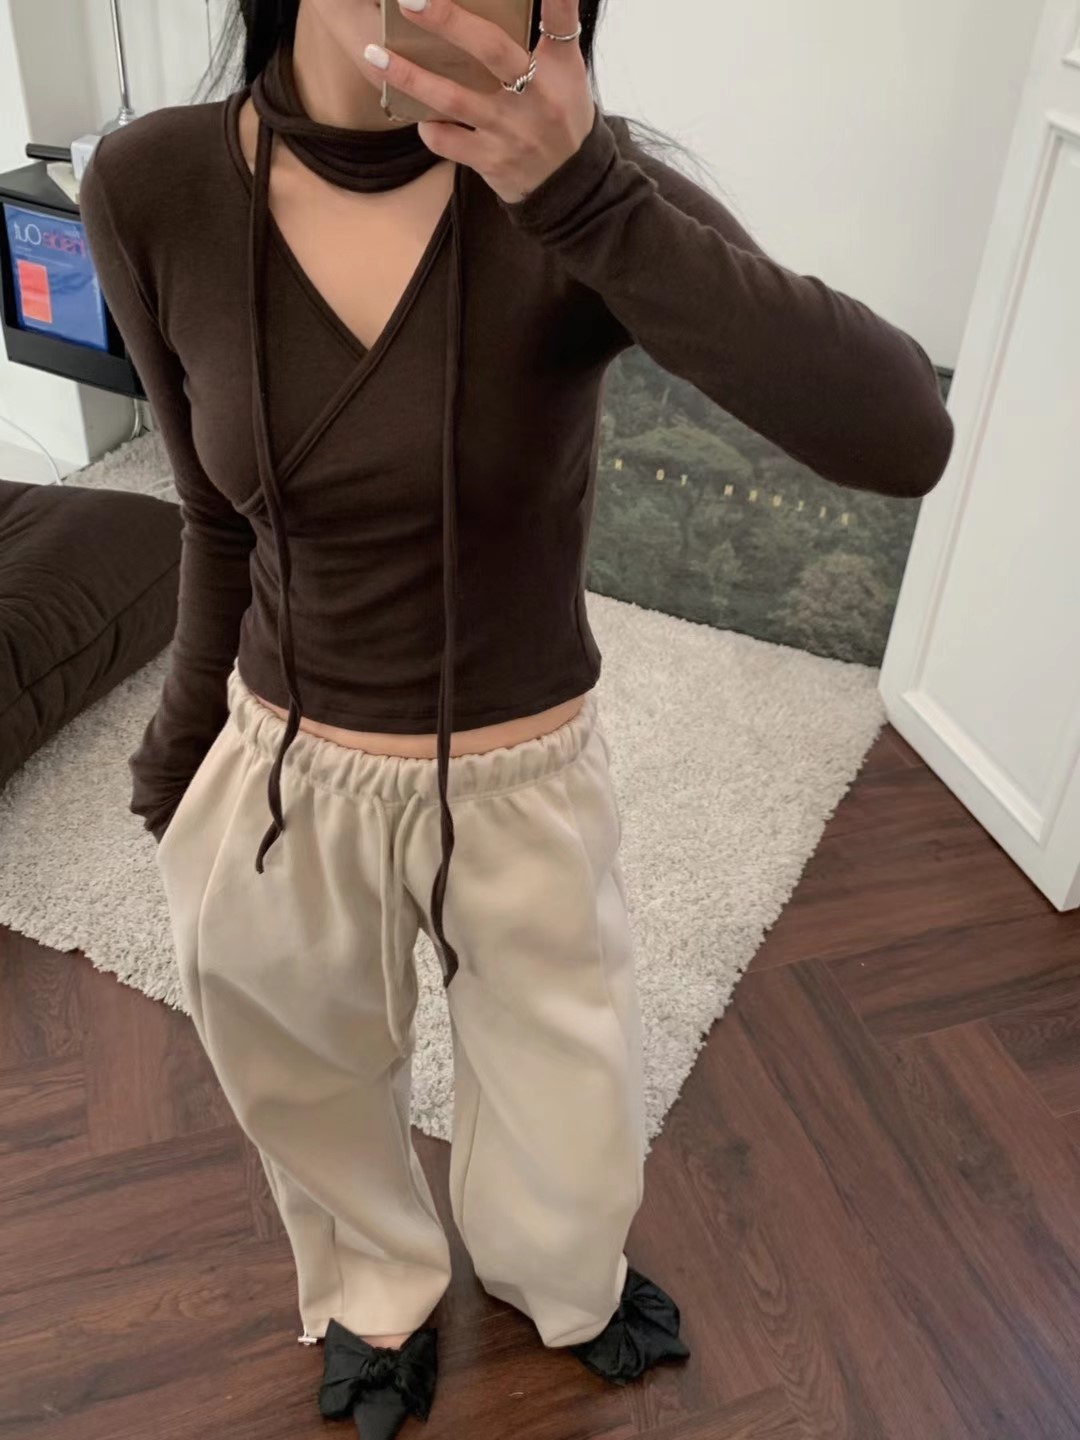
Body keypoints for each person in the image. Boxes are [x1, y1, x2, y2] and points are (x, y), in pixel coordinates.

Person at [79, 0, 955, 1433]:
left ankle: (561, 1276)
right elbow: (212, 514)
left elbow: (902, 432)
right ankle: (378, 1287)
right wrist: (181, 757)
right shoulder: (151, 184)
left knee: (569, 1096)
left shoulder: (576, 183)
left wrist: (587, 195)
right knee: (303, 1078)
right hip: (284, 769)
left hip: (521, 771)